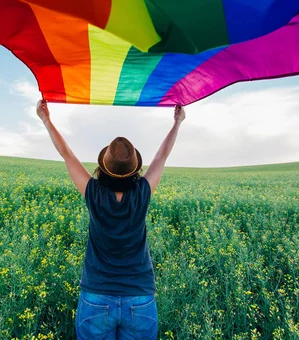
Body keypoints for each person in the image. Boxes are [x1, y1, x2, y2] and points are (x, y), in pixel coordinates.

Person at [36, 100, 186, 340]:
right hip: (140, 296)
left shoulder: (93, 192)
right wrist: (177, 123)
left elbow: (66, 154)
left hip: (96, 295)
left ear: (103, 168)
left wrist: (46, 119)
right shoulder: (142, 193)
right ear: (135, 169)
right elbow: (162, 155)